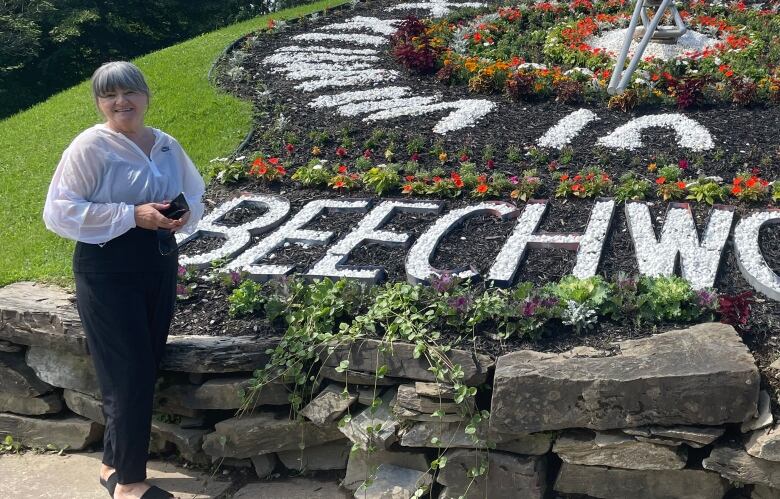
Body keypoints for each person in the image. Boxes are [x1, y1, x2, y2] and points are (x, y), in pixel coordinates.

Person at [43, 61, 205, 499]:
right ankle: (129, 482)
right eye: (109, 95)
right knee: (128, 371)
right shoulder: (90, 147)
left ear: (146, 96)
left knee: (143, 366)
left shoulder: (167, 145)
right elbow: (58, 212)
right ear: (99, 103)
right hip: (107, 267)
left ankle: (112, 466)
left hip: (158, 263)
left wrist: (184, 212)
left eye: (129, 92)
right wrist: (132, 215)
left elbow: (195, 191)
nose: (121, 102)